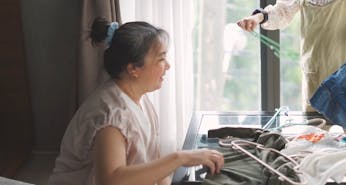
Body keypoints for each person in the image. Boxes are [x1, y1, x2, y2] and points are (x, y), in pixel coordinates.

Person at [48, 17, 224, 185]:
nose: (168, 66)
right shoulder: (111, 116)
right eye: (161, 59)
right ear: (133, 69)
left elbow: (153, 165)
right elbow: (111, 180)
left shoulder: (138, 99)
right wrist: (180, 158)